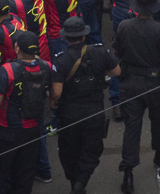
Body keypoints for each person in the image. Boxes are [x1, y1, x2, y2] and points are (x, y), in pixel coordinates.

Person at [112, 0, 160, 194]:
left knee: (132, 127)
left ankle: (128, 173)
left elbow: (117, 50)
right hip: (155, 82)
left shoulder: (124, 25)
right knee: (158, 119)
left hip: (130, 83)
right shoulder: (159, 29)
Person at [51, 16, 119, 194]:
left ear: (65, 37)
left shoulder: (61, 59)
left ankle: (76, 184)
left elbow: (57, 92)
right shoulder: (100, 52)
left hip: (69, 113)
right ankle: (81, 183)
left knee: (68, 151)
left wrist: (53, 103)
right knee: (92, 149)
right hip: (94, 110)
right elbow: (116, 71)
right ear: (84, 36)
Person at [0, 30, 54, 194]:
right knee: (26, 171)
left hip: (7, 129)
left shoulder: (8, 70)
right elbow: (54, 92)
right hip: (34, 128)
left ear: (17, 48)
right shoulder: (46, 66)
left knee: (3, 171)